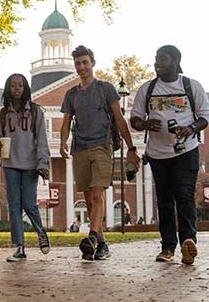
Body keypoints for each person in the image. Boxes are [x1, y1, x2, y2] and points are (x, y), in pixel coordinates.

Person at [130, 45, 209, 264]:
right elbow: (135, 119)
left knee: (184, 197)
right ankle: (167, 248)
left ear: (175, 61)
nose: (157, 63)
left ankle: (188, 242)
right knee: (164, 201)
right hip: (157, 154)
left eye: (163, 59)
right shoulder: (147, 89)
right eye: (156, 59)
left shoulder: (191, 86)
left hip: (186, 151)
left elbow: (206, 116)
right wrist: (145, 123)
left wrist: (191, 129)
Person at [60, 45, 140, 261]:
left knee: (98, 195)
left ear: (93, 63)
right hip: (80, 149)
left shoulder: (106, 89)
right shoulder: (71, 94)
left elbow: (120, 120)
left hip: (102, 147)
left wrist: (131, 148)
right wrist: (62, 142)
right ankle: (101, 245)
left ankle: (93, 236)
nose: (82, 67)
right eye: (78, 63)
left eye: (85, 62)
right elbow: (66, 121)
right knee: (89, 199)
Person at [0, 73, 51, 262]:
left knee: (29, 203)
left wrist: (43, 164)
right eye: (13, 85)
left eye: (20, 85)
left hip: (30, 165)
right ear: (8, 88)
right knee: (14, 206)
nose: (17, 88)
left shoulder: (35, 112)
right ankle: (20, 247)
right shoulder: (2, 115)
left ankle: (41, 233)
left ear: (25, 87)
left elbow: (42, 140)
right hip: (10, 164)